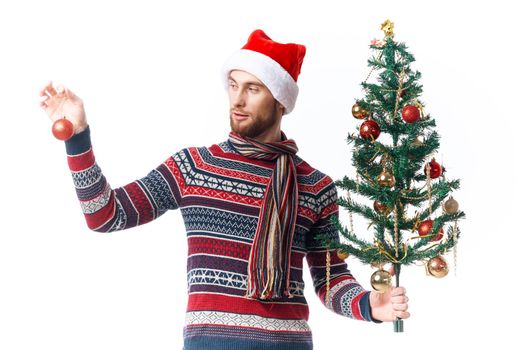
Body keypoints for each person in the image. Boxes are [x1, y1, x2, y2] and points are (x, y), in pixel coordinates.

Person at [39, 29, 409, 350]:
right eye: (233, 85)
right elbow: (105, 214)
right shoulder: (194, 167)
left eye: (253, 88)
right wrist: (77, 138)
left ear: (280, 99)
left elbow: (330, 281)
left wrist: (369, 305)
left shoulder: (316, 186)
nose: (238, 99)